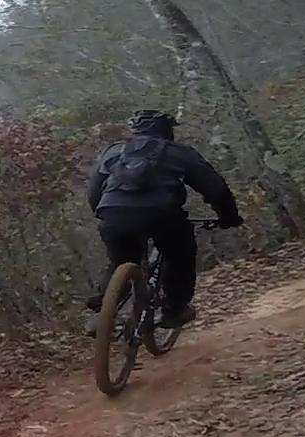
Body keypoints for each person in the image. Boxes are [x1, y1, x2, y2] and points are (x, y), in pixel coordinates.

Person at [84, 109, 242, 329]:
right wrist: (229, 217)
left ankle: (104, 309)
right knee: (179, 255)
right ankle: (174, 309)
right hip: (162, 216)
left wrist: (104, 214)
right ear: (167, 131)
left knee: (121, 258)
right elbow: (216, 189)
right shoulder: (179, 152)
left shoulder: (113, 151)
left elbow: (93, 191)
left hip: (112, 213)